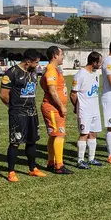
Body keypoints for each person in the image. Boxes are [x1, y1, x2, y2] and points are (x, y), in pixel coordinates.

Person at [0, 48, 47, 181]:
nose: (37, 65)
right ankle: (11, 172)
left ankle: (33, 168)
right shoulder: (12, 73)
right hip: (18, 113)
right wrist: (14, 107)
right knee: (15, 142)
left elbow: (34, 89)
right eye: (36, 62)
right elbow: (3, 95)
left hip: (32, 112)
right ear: (27, 61)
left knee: (32, 140)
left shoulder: (33, 72)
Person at [40, 45, 72, 174]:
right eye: (61, 54)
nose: (63, 57)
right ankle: (59, 165)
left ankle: (51, 163)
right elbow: (52, 91)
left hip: (54, 107)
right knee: (59, 134)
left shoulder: (53, 69)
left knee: (54, 135)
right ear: (55, 56)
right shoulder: (51, 70)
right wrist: (61, 106)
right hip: (53, 108)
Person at [72, 52, 104, 169]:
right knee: (84, 134)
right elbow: (73, 94)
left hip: (95, 109)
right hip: (84, 110)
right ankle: (80, 160)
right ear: (94, 62)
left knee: (93, 133)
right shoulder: (80, 75)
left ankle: (91, 158)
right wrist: (77, 106)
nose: (100, 65)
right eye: (99, 62)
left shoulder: (96, 74)